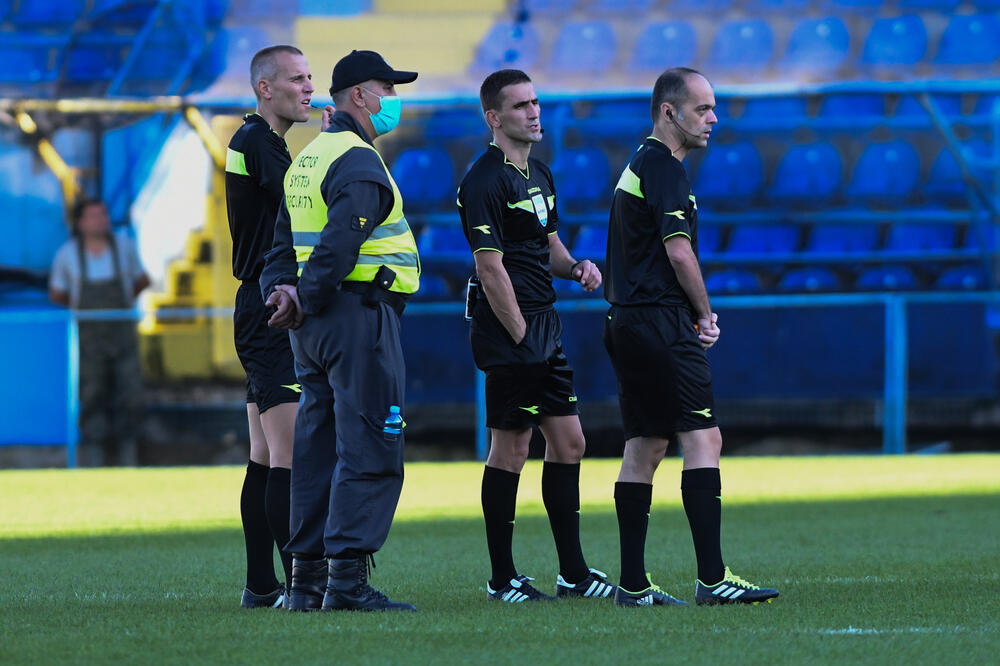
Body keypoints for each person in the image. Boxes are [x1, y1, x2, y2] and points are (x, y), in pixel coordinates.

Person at [603, 67, 779, 607]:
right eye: (702, 109)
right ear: (668, 112)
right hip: (660, 321)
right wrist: (704, 315)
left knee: (645, 445)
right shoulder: (664, 168)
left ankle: (633, 585)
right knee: (704, 439)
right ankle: (712, 579)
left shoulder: (640, 164)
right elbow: (679, 251)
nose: (713, 118)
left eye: (713, 108)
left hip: (626, 321)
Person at [259, 49, 420, 613]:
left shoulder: (307, 159)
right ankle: (347, 582)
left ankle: (305, 582)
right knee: (371, 440)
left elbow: (281, 249)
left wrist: (284, 295)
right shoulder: (358, 160)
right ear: (358, 96)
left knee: (318, 447)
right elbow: (339, 245)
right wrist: (305, 295)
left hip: (312, 327)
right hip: (358, 317)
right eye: (387, 89)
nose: (392, 100)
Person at [458, 69, 614, 603]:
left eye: (535, 102)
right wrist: (520, 331)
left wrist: (576, 268)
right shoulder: (484, 180)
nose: (533, 112)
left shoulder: (540, 173)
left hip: (545, 323)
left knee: (570, 443)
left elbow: (548, 246)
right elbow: (489, 266)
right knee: (512, 448)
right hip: (511, 328)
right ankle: (502, 579)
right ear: (494, 118)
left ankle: (573, 575)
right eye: (521, 105)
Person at [225, 44, 320, 610]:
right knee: (290, 452)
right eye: (297, 79)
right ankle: (302, 584)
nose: (308, 88)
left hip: (256, 302)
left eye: (310, 78)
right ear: (265, 88)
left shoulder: (256, 141)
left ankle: (262, 585)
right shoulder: (260, 142)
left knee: (264, 454)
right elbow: (306, 205)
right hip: (271, 305)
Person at [49, 198, 150, 467]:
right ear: (80, 223)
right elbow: (57, 293)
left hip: (123, 336)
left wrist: (121, 306)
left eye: (103, 215)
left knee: (130, 392)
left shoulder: (125, 248)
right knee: (91, 394)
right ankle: (94, 459)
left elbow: (142, 280)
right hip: (88, 338)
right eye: (93, 216)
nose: (100, 221)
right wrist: (83, 308)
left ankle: (129, 457)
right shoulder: (67, 254)